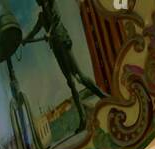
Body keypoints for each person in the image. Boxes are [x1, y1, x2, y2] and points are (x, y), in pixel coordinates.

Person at [23, 0, 105, 134]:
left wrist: (49, 33)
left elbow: (56, 20)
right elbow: (34, 31)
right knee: (71, 83)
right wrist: (26, 40)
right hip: (56, 49)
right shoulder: (42, 17)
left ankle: (103, 97)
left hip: (62, 41)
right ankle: (83, 120)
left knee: (80, 76)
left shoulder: (52, 3)